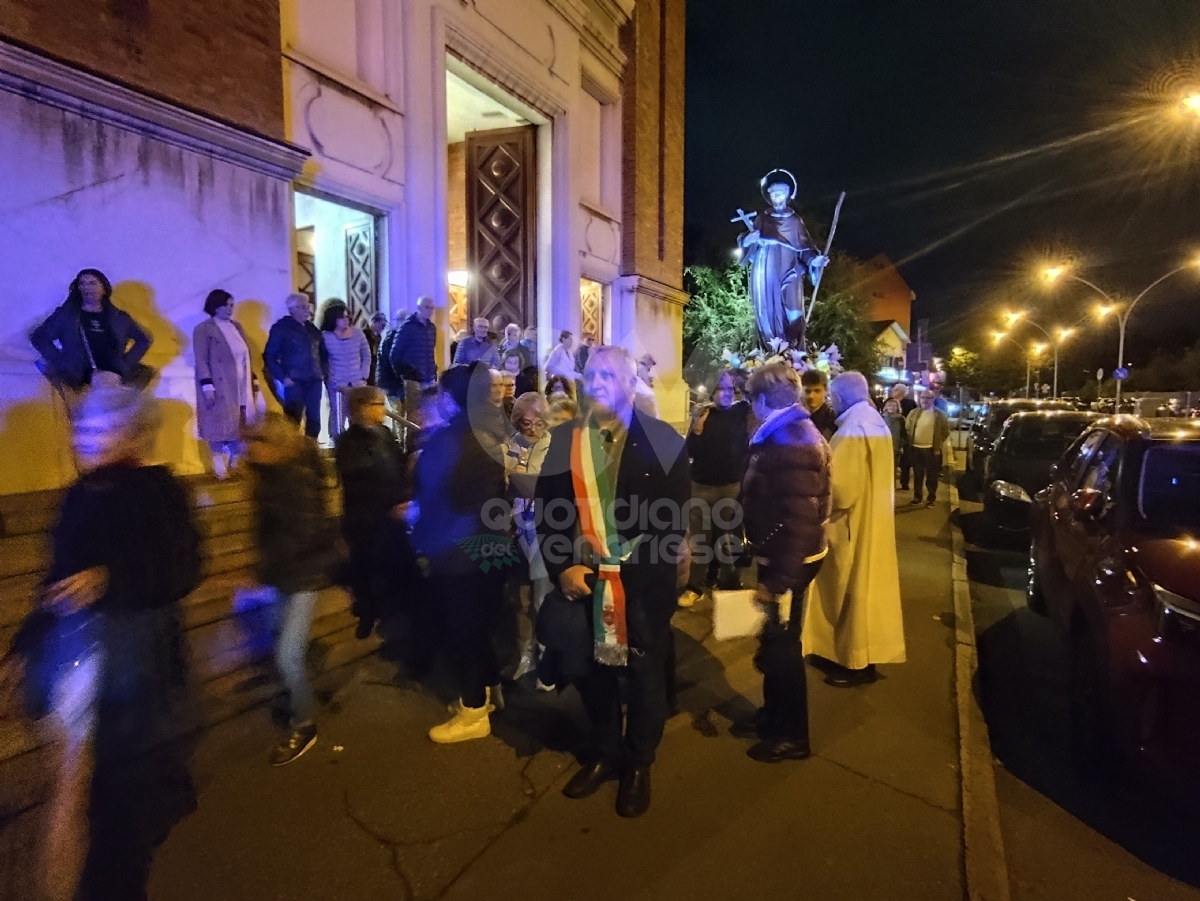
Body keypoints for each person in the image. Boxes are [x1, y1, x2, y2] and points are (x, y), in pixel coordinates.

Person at [7, 386, 201, 900]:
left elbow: (180, 572)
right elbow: (54, 580)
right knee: (70, 792)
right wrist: (25, 644)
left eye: (97, 429)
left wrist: (109, 579)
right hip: (74, 657)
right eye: (81, 427)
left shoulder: (160, 491)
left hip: (134, 667)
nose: (82, 438)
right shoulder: (78, 496)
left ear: (132, 434)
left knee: (116, 807)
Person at [535, 346, 690, 818]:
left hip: (640, 587)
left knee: (642, 677)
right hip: (582, 585)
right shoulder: (565, 442)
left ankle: (639, 762)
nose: (596, 381)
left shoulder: (664, 440)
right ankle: (605, 751)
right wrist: (563, 566)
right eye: (590, 374)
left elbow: (672, 522)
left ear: (627, 384)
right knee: (593, 673)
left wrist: (627, 574)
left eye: (607, 374)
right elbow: (548, 514)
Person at [734, 363, 830, 762]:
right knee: (774, 641)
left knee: (784, 649)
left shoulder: (790, 440)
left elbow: (798, 519)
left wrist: (777, 581)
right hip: (783, 556)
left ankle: (792, 735)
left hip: (789, 562)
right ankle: (773, 715)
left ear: (760, 399)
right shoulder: (788, 432)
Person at [413, 363, 509, 743]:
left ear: (451, 400)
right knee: (482, 623)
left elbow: (433, 499)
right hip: (492, 542)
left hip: (459, 549)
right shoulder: (491, 431)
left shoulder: (448, 441)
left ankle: (473, 711)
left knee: (463, 631)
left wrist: (421, 537)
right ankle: (489, 690)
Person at [803, 372, 905, 686]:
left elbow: (842, 489)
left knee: (849, 594)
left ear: (844, 395)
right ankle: (855, 656)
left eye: (833, 393)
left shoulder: (852, 430)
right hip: (871, 521)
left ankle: (853, 663)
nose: (831, 399)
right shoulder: (873, 422)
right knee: (865, 592)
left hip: (849, 526)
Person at [246, 413, 334, 764]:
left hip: (301, 576)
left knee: (287, 655)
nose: (249, 448)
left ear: (276, 446)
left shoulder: (292, 481)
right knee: (284, 643)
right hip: (284, 576)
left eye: (257, 441)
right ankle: (301, 682)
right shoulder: (270, 477)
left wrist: (260, 571)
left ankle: (305, 724)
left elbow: (300, 535)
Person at [334, 386, 411, 639]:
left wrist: (403, 497)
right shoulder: (348, 441)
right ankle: (367, 612)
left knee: (392, 568)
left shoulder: (386, 434)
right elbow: (361, 479)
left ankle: (391, 614)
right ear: (362, 408)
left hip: (391, 515)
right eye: (378, 404)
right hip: (364, 518)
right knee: (365, 570)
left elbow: (397, 467)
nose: (384, 410)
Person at [679, 370, 752, 607]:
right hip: (701, 487)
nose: (726, 394)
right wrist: (696, 431)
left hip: (730, 487)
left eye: (730, 389)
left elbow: (755, 390)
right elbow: (689, 452)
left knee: (728, 541)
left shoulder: (741, 412)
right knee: (700, 541)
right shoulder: (703, 415)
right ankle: (695, 586)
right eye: (721, 389)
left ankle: (729, 584)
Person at [736, 172, 828, 347]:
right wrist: (748, 240)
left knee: (793, 310)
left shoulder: (795, 221)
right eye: (773, 194)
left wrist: (813, 262)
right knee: (767, 311)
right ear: (769, 196)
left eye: (780, 193)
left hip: (790, 270)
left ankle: (794, 350)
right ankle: (770, 351)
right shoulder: (762, 219)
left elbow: (805, 248)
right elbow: (747, 242)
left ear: (787, 195)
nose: (776, 197)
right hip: (765, 272)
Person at [31, 268, 152, 396]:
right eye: (82, 283)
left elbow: (144, 340)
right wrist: (63, 363)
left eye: (92, 283)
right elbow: (39, 338)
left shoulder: (119, 317)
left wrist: (124, 364)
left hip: (113, 376)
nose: (86, 287)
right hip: (78, 377)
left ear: (104, 288)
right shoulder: (67, 316)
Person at [505, 391, 550, 680]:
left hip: (542, 531)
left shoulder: (554, 447)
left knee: (542, 598)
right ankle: (525, 653)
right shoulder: (511, 446)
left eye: (534, 423)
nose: (528, 429)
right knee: (519, 597)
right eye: (522, 423)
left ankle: (547, 659)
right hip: (515, 529)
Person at [193, 289, 261, 479]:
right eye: (226, 305)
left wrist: (253, 378)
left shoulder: (236, 327)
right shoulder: (204, 329)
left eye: (232, 305)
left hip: (241, 383)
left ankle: (235, 464)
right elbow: (201, 359)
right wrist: (207, 384)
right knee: (219, 425)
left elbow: (245, 356)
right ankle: (220, 466)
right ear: (216, 306)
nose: (230, 309)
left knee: (239, 424)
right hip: (219, 384)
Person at [264, 294, 327, 439]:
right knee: (293, 418)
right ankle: (290, 452)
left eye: (308, 306)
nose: (307, 310)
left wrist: (323, 371)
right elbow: (270, 356)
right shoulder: (281, 328)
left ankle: (311, 451)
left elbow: (323, 352)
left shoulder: (312, 329)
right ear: (292, 309)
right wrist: (282, 377)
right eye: (303, 307)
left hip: (314, 379)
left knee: (314, 419)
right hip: (294, 379)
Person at [388, 295, 439, 440]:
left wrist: (433, 371)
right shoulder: (407, 327)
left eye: (431, 308)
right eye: (426, 307)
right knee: (413, 416)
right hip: (413, 378)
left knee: (429, 414)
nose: (429, 311)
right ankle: (410, 446)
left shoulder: (431, 328)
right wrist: (405, 374)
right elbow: (395, 354)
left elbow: (431, 351)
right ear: (419, 308)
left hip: (428, 376)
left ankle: (425, 444)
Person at [322, 302, 372, 439]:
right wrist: (331, 379)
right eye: (342, 317)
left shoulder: (358, 334)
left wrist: (363, 375)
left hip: (357, 381)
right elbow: (323, 359)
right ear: (333, 319)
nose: (346, 320)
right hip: (337, 382)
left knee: (358, 414)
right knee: (337, 414)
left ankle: (358, 442)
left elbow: (366, 355)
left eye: (347, 316)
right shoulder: (325, 336)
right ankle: (336, 442)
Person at [904, 389, 950, 507]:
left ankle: (931, 498)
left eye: (927, 398)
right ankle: (917, 497)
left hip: (931, 450)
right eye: (923, 398)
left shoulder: (940, 415)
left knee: (932, 476)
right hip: (915, 448)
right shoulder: (914, 413)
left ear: (933, 399)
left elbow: (945, 431)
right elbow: (908, 428)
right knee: (917, 475)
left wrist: (938, 443)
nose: (924, 400)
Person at [890, 384, 917, 490]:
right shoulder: (890, 402)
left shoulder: (910, 403)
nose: (893, 391)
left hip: (905, 434)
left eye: (895, 390)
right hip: (893, 434)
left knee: (906, 460)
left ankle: (904, 482)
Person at [801, 368, 837, 440]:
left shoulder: (833, 420)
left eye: (817, 391)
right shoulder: (796, 417)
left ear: (826, 391)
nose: (811, 396)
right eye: (807, 391)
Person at [881, 398, 908, 483]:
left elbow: (904, 434)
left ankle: (892, 488)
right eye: (890, 405)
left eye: (894, 406)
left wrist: (900, 444)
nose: (892, 407)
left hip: (896, 449)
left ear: (897, 407)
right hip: (883, 448)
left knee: (893, 469)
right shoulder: (881, 417)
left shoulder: (901, 419)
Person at [366, 311, 388, 387]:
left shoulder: (378, 337)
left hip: (374, 368)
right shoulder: (364, 334)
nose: (383, 328)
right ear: (374, 322)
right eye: (382, 325)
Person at [633, 354, 660, 418]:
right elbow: (645, 382)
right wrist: (650, 384)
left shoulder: (638, 367)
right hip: (643, 397)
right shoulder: (643, 368)